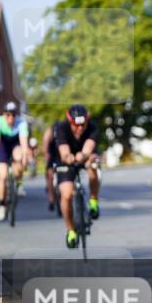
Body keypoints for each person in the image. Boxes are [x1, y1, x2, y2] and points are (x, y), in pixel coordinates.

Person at [55, 105, 101, 248]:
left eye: (83, 124)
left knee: (93, 165)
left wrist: (84, 156)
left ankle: (93, 200)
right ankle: (71, 231)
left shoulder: (92, 127)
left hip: (85, 156)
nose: (80, 128)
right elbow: (64, 151)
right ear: (70, 122)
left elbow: (88, 148)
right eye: (76, 125)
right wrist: (68, 157)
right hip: (66, 159)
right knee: (66, 194)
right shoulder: (61, 128)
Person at [0, 101, 31, 221]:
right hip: (2, 144)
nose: (11, 118)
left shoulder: (21, 123)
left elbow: (23, 143)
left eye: (13, 115)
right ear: (3, 114)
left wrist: (24, 158)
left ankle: (18, 182)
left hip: (15, 143)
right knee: (2, 176)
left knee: (19, 158)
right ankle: (2, 204)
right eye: (8, 115)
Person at [42, 124, 61, 212]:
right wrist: (46, 155)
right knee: (49, 175)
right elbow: (45, 147)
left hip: (61, 154)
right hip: (52, 154)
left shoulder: (64, 133)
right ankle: (51, 199)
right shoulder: (49, 132)